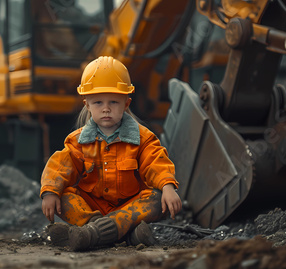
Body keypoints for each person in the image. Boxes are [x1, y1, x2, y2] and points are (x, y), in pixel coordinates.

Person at [40, 56, 182, 251]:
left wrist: (167, 186)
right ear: (87, 105)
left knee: (156, 198)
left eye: (113, 102)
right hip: (92, 208)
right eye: (98, 102)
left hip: (128, 207)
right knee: (63, 196)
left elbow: (155, 162)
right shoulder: (77, 142)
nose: (106, 108)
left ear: (126, 103)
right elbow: (60, 166)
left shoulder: (143, 138)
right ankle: (127, 234)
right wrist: (50, 191)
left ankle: (92, 234)